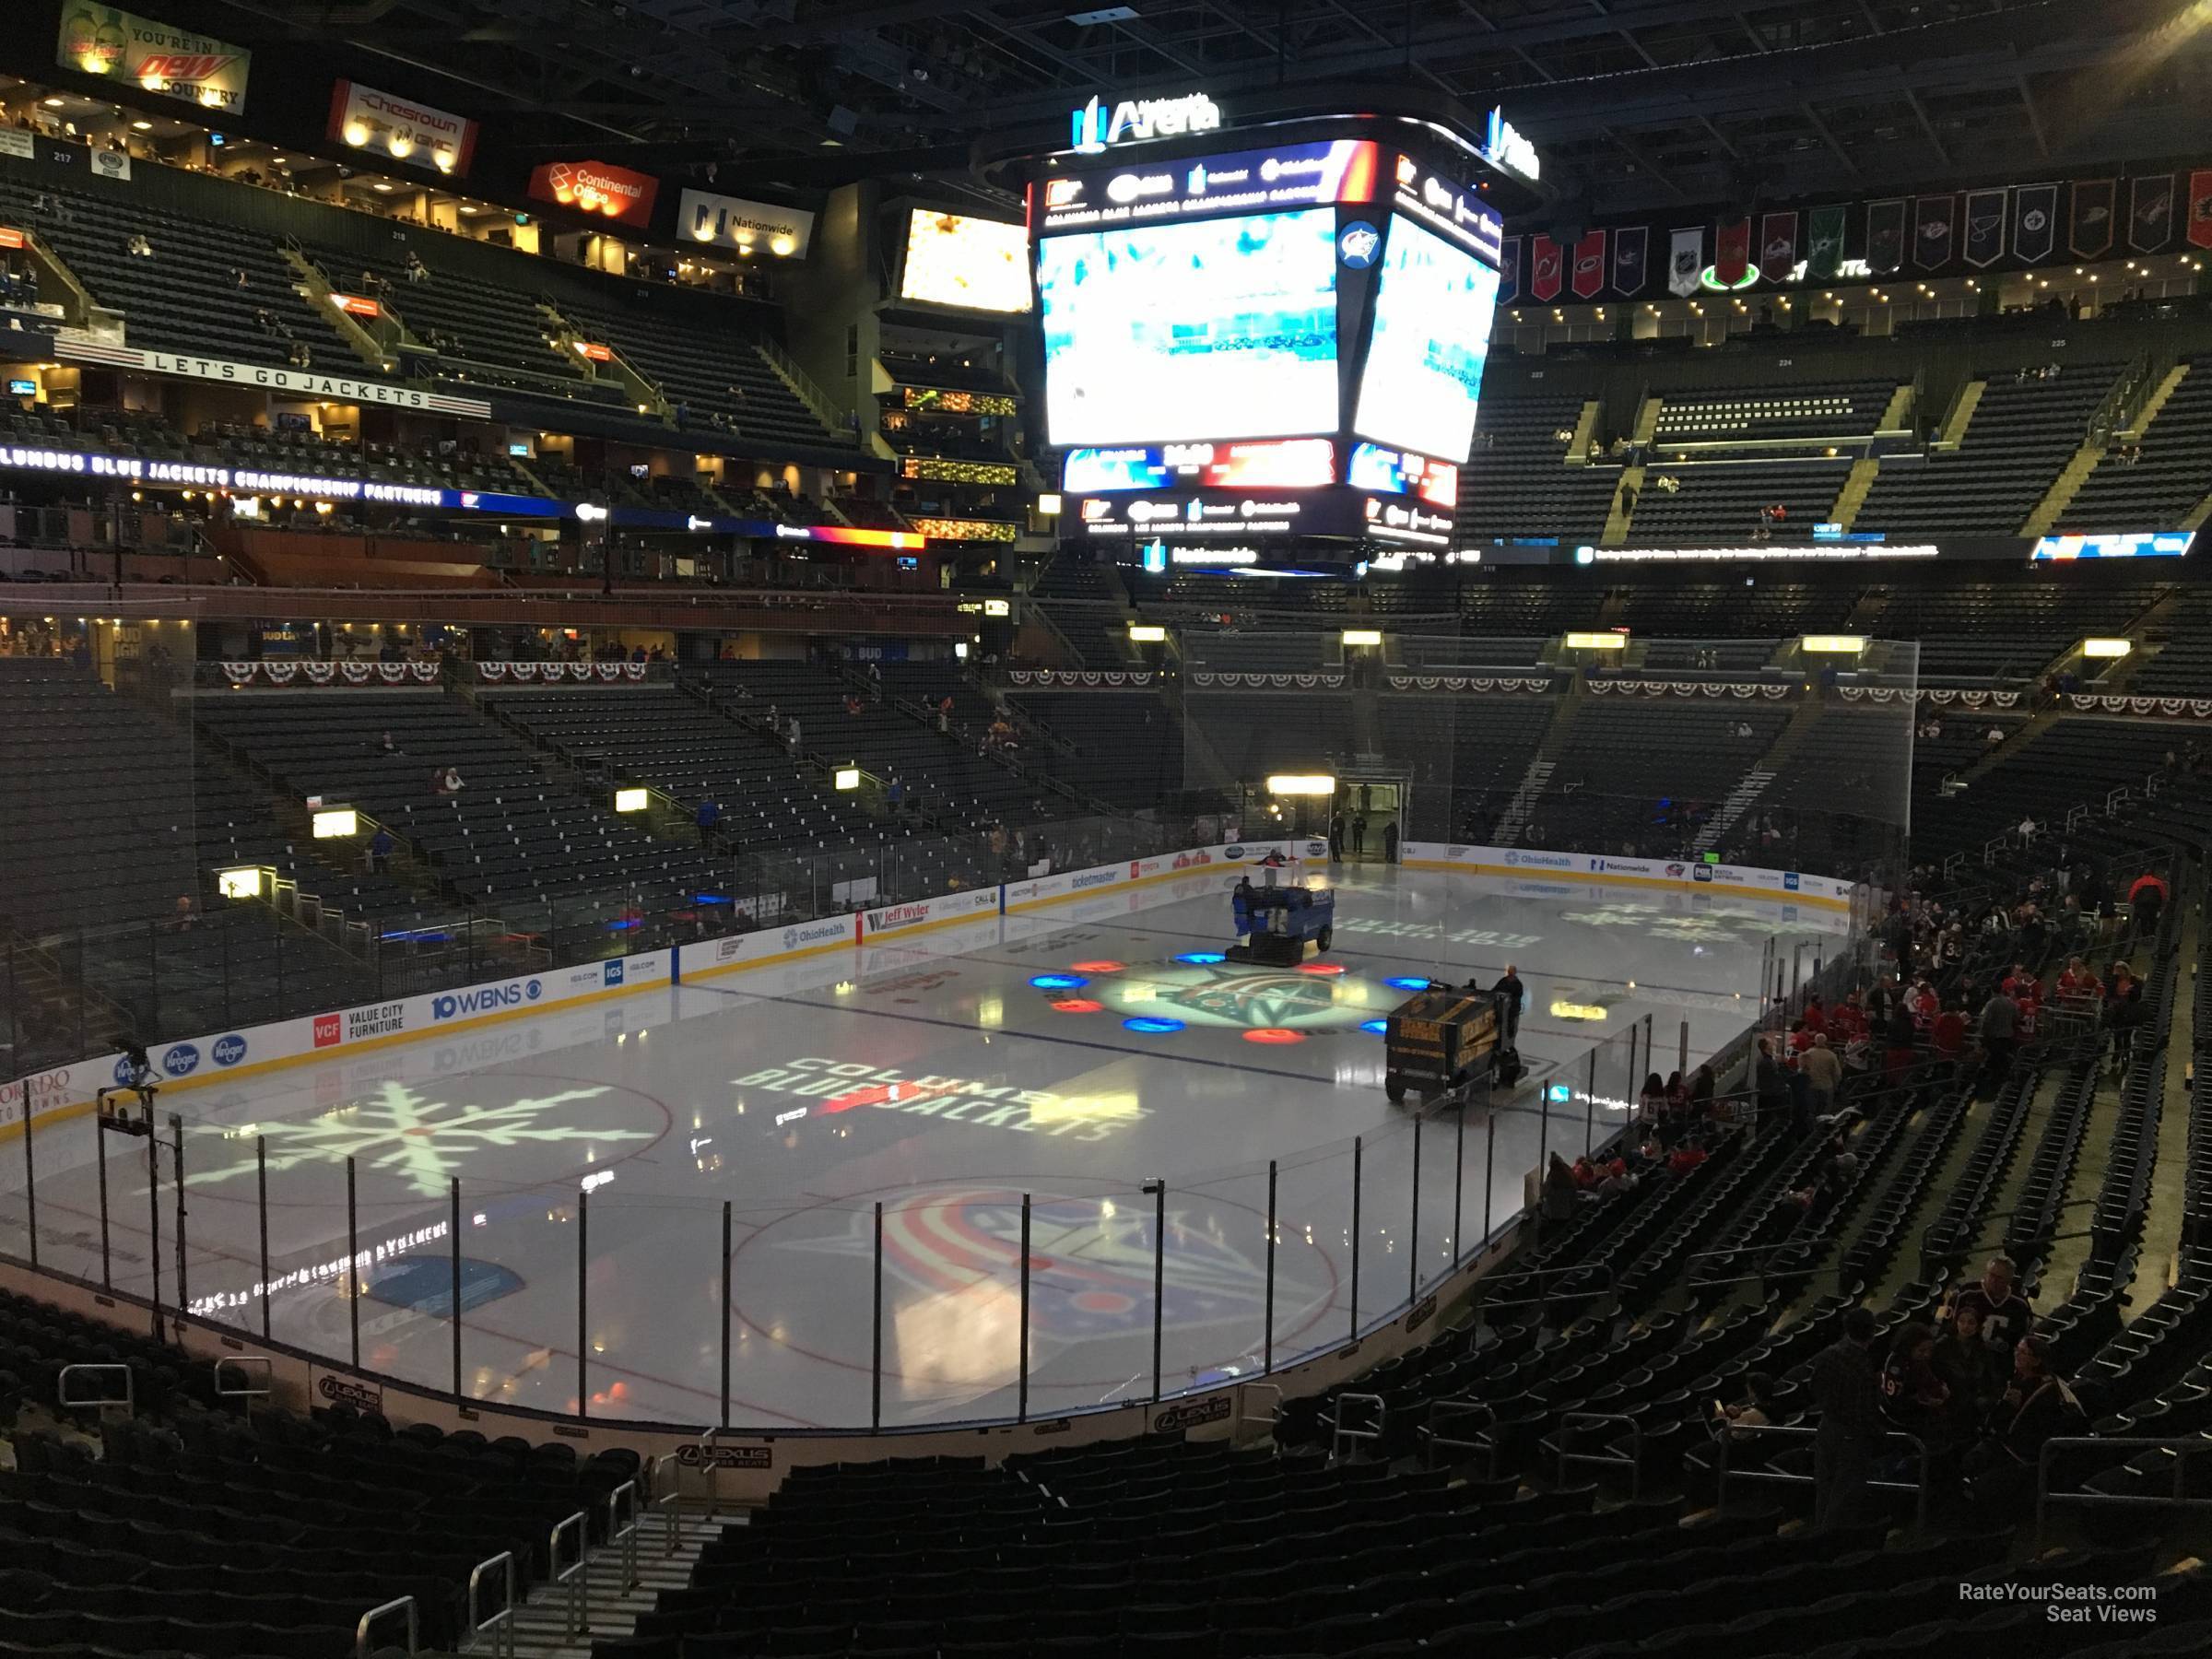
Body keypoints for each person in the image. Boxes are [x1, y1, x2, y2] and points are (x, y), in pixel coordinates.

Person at [1964, 1335, 2085, 1514]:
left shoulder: (2045, 1391)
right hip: (2007, 1443)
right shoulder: (2022, 1379)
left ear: (2036, 1360)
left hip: (2021, 1453)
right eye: (2017, 1350)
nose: (2017, 1355)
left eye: (2023, 1352)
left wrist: (2005, 1410)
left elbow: (2022, 1429)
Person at [1808, 1306, 1883, 1530]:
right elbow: (1865, 1407)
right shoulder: (1863, 1366)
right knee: (1844, 1494)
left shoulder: (1827, 1355)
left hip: (1828, 1427)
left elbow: (1814, 1389)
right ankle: (1831, 1540)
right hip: (1852, 1434)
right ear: (1872, 1332)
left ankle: (1820, 1535)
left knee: (1825, 1487)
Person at [1932, 1300, 2007, 1437]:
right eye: (1962, 1321)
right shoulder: (1942, 1347)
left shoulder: (1983, 1349)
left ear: (1978, 1326)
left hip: (1973, 1396)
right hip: (1950, 1395)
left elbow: (1992, 1377)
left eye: (1971, 1323)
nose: (1965, 1326)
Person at [1950, 1255, 2034, 1354]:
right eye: (1991, 1275)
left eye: (1999, 1278)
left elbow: (2022, 1337)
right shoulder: (1966, 1293)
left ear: (2009, 1280)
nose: (1993, 1281)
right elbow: (1949, 1326)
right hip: (1965, 1354)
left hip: (1999, 1359)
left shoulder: (2020, 1304)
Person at [1976, 984, 2018, 1093]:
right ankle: (2002, 1080)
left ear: (1992, 991)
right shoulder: (2010, 1003)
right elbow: (2016, 1018)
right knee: (2001, 1058)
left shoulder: (1991, 1003)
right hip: (2007, 1035)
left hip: (1994, 1036)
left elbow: (1986, 1021)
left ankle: (1996, 1084)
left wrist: (1983, 1034)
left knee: (1997, 1060)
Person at [1798, 1032, 1842, 1123]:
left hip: (1811, 1086)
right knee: (1825, 1113)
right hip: (1827, 1086)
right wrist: (1836, 1085)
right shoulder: (1831, 1055)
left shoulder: (1808, 1053)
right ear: (1826, 1041)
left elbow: (1801, 1071)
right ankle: (1823, 1131)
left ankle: (1811, 1130)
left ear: (1815, 1041)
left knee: (1811, 1111)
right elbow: (1837, 1073)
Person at [1754, 1035, 1790, 1125]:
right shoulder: (1766, 1061)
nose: (1774, 1044)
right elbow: (1774, 1076)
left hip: (1769, 1092)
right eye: (1771, 1043)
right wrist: (1783, 1066)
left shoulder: (1768, 1059)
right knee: (1766, 1118)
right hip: (1769, 1093)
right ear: (1766, 1046)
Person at [1493, 964, 1524, 1045]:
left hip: (1512, 1008)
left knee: (1510, 1022)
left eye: (1512, 971)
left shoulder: (1518, 984)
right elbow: (1495, 990)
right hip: (1501, 1007)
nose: (1510, 972)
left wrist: (1509, 999)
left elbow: (1518, 996)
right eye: (1509, 971)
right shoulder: (1503, 981)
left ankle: (1508, 1038)